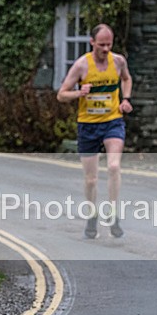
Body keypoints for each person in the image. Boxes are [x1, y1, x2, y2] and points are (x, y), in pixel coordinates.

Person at [57, 24, 133, 239]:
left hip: (112, 122)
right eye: (101, 45)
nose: (106, 49)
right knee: (91, 179)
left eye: (109, 44)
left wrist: (125, 100)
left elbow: (127, 79)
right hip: (88, 125)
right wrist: (79, 93)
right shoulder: (82, 65)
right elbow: (62, 94)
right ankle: (92, 215)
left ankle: (113, 213)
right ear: (92, 43)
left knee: (114, 165)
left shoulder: (118, 61)